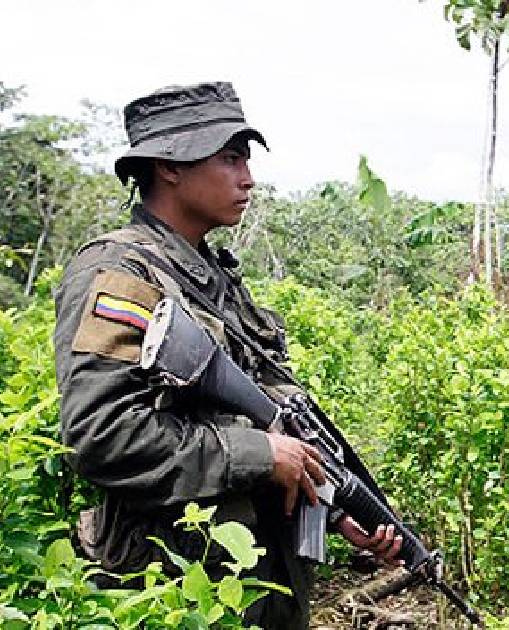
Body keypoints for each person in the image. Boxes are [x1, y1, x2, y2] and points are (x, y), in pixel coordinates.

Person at [53, 82, 405, 629]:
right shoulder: (123, 274)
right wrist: (260, 456)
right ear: (169, 166)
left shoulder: (213, 276)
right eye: (230, 157)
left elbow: (266, 409)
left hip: (258, 581)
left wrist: (336, 510)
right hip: (177, 590)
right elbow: (104, 436)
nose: (248, 178)